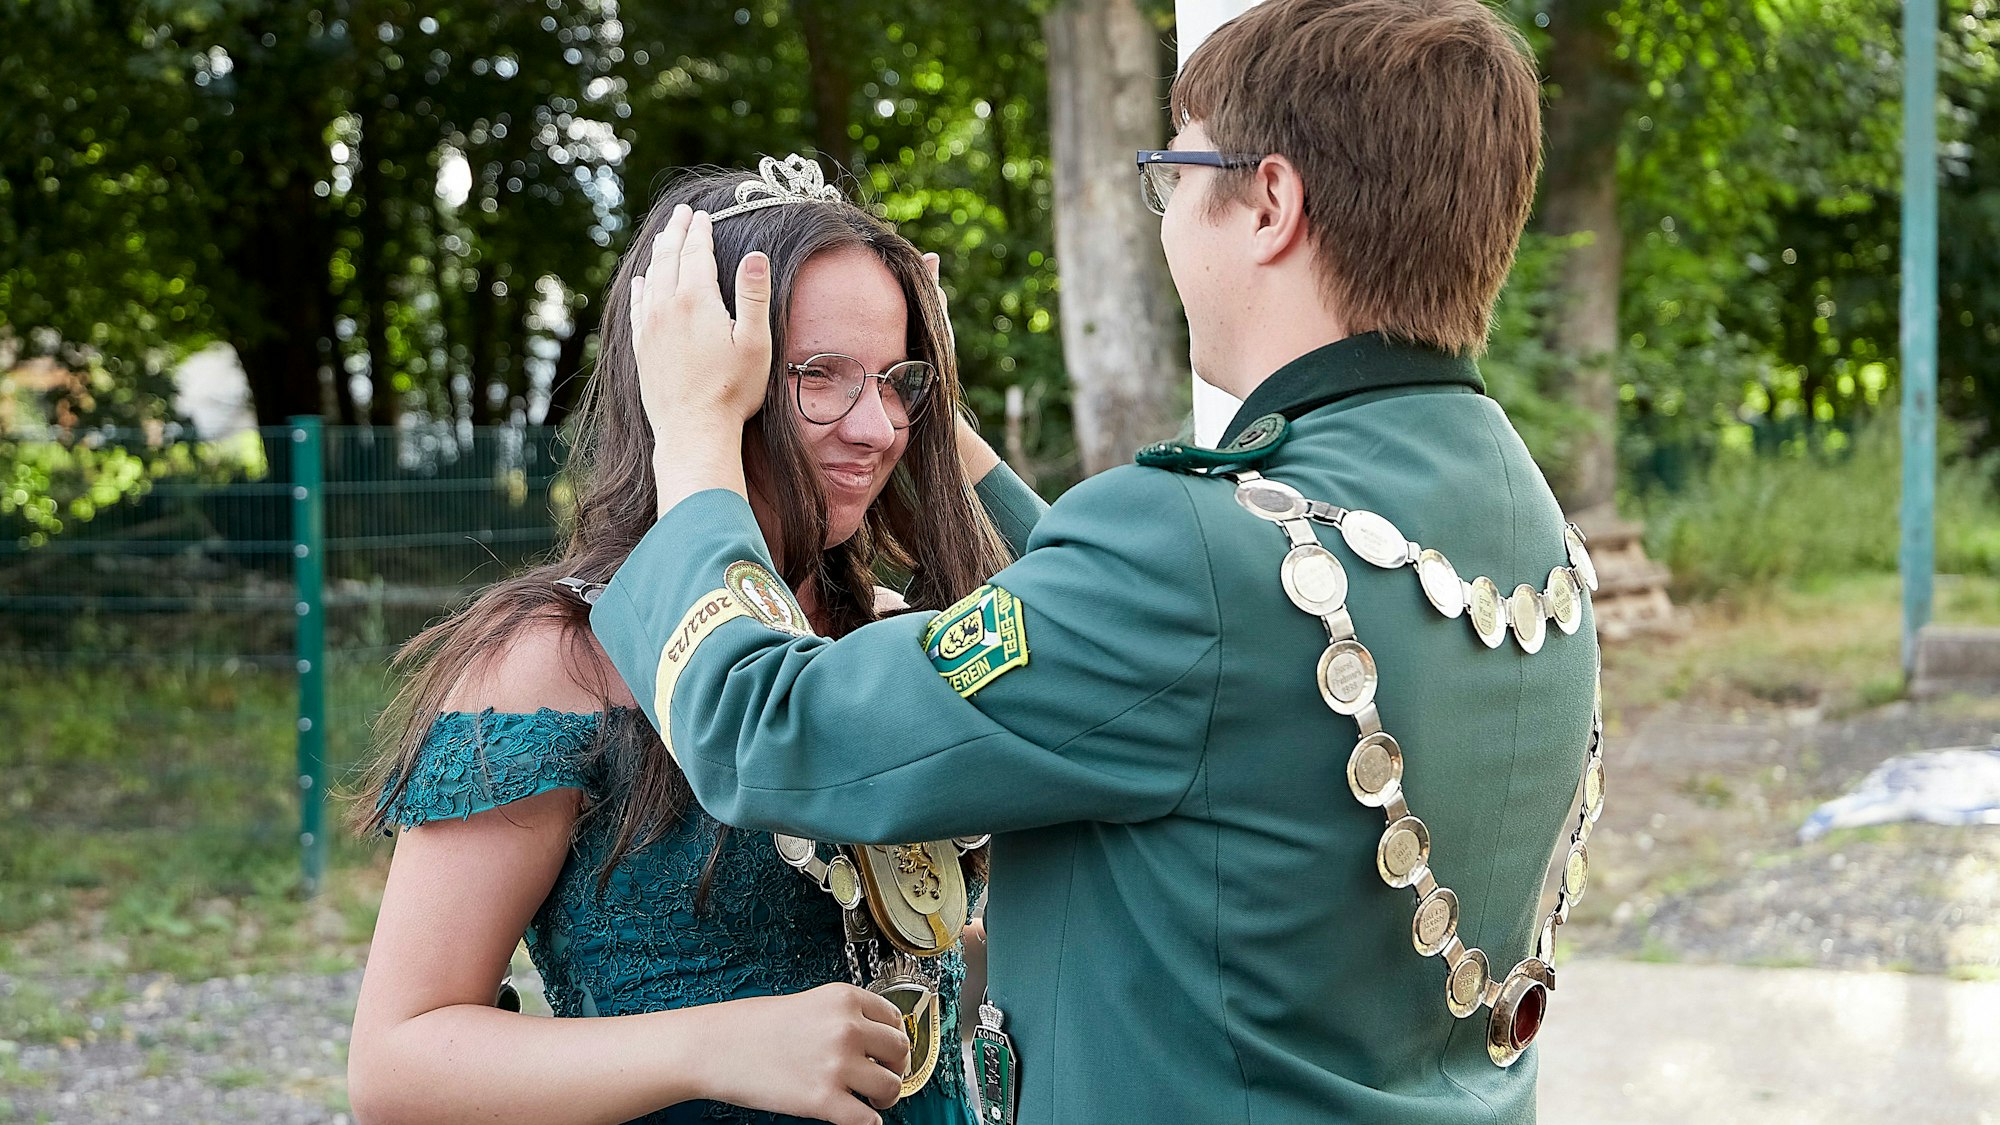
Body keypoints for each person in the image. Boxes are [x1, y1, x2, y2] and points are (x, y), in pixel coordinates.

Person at [591, 2, 1605, 1123]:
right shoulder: (1525, 526)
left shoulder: (1193, 554)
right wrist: (937, 434)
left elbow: (764, 731)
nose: (1164, 222)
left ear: (1268, 203)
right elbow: (1166, 634)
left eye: (1173, 175)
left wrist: (692, 435)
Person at [345, 160, 1047, 1125]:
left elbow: (1093, 640)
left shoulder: (887, 628)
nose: (879, 428)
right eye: (820, 378)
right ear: (701, 377)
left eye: (898, 382)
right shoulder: (555, 665)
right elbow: (397, 1066)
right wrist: (716, 1044)